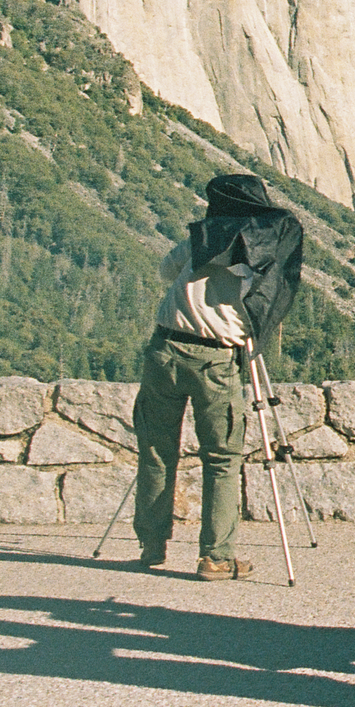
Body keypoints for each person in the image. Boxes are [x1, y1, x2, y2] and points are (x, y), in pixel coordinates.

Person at [132, 173, 299, 580]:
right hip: (216, 359)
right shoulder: (265, 248)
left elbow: (165, 270)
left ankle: (152, 544)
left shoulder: (201, 238)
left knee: (156, 449)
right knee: (223, 458)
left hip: (165, 348)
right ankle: (216, 557)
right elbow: (269, 297)